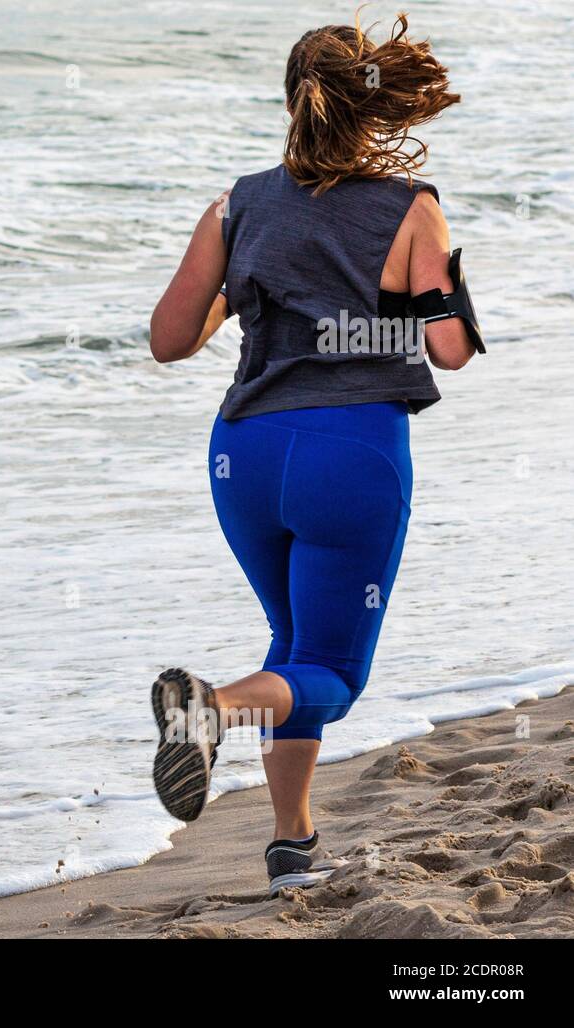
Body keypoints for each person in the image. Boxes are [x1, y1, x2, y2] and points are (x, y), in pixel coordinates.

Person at [147, 12, 484, 897]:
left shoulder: (239, 201)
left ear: (293, 99)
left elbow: (171, 339)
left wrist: (247, 297)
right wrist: (445, 285)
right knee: (331, 672)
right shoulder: (410, 207)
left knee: (293, 646)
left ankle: (293, 846)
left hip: (245, 455)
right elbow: (447, 350)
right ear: (374, 104)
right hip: (351, 450)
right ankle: (210, 711)